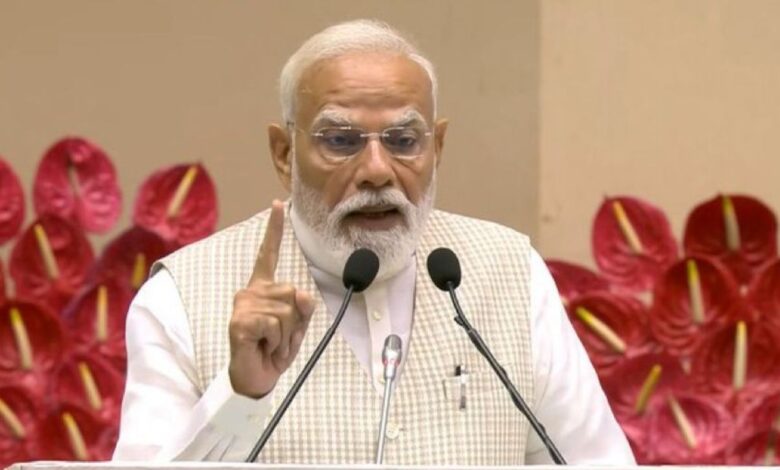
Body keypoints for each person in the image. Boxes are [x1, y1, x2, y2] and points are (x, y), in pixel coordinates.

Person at [112, 19, 635, 464]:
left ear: (437, 147)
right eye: (341, 141)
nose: (377, 171)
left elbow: (597, 462)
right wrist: (241, 394)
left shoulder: (510, 275)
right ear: (284, 153)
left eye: (404, 141)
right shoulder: (181, 297)